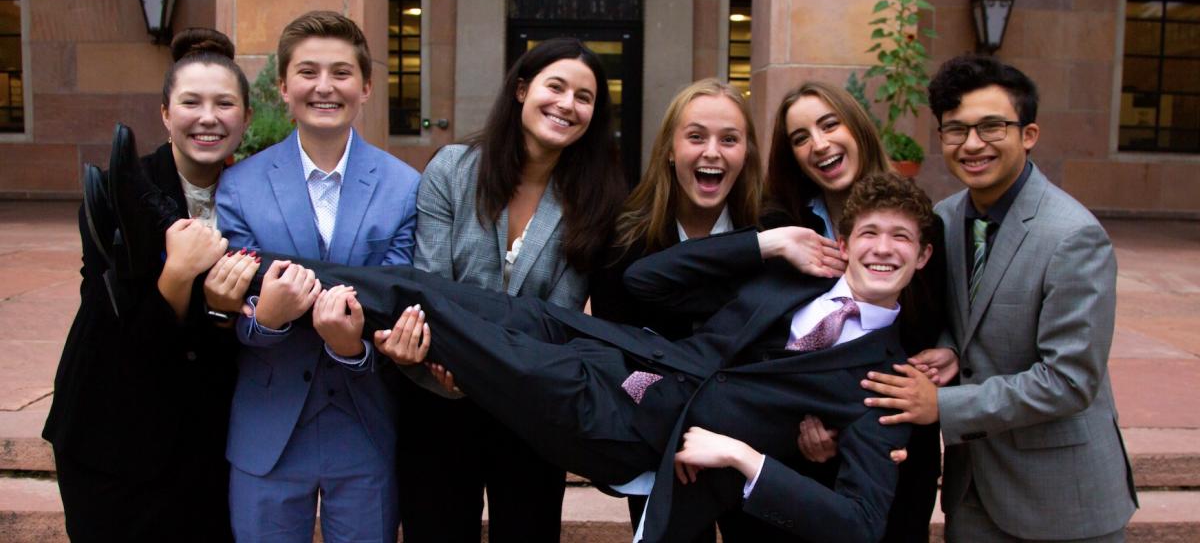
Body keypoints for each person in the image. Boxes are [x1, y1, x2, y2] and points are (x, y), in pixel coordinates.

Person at [238, 171, 934, 543]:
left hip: (630, 428)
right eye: (868, 231)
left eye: (900, 239)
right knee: (439, 292)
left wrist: (746, 459)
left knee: (442, 322)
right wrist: (765, 243)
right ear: (843, 236)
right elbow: (643, 282)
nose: (881, 248)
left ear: (923, 256)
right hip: (610, 348)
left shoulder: (885, 379)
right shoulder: (792, 275)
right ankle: (246, 272)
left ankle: (243, 285)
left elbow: (859, 524)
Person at [862, 55, 1137, 542]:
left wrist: (941, 406)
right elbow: (963, 314)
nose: (972, 144)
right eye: (955, 130)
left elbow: (1071, 379)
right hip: (973, 494)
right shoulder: (943, 220)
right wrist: (948, 345)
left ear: (1028, 134)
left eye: (991, 127)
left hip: (1061, 499)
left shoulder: (1072, 236)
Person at [394, 37, 626, 543]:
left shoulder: (597, 199)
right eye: (556, 86)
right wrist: (453, 365)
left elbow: (558, 316)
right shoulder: (452, 170)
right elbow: (430, 286)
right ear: (523, 89)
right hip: (437, 392)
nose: (567, 104)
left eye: (584, 97)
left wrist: (486, 367)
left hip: (531, 409)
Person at [42, 28, 257, 541]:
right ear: (165, 114)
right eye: (191, 102)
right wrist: (180, 272)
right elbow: (126, 330)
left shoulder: (258, 197)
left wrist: (221, 308)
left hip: (206, 443)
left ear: (246, 119)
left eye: (224, 103)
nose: (208, 117)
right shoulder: (119, 191)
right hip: (112, 433)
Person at [215, 10, 421, 542]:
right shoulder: (239, 187)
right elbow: (236, 303)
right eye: (307, 72)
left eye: (341, 72)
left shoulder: (403, 188)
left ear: (366, 86)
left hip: (364, 421)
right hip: (268, 422)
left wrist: (352, 346)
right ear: (283, 87)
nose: (324, 87)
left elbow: (399, 298)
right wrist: (269, 322)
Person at [758, 81, 946, 542]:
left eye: (828, 124)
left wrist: (950, 347)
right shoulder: (781, 227)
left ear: (857, 127)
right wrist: (802, 422)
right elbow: (765, 342)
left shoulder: (922, 228)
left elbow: (940, 320)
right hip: (803, 450)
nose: (818, 145)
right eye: (800, 138)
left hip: (892, 436)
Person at [589, 78, 763, 541]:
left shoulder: (772, 235)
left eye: (729, 139)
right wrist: (672, 434)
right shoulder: (623, 241)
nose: (713, 152)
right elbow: (618, 357)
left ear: (746, 153)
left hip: (752, 447)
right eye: (696, 136)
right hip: (659, 447)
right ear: (669, 149)